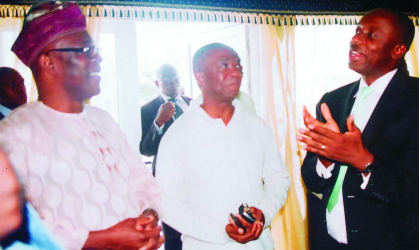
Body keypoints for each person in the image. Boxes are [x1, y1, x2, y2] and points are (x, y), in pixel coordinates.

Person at [0, 1, 163, 250]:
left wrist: (147, 218)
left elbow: (142, 183)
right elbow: (17, 228)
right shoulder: (13, 134)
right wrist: (103, 240)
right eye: (86, 50)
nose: (98, 58)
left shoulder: (103, 120)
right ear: (49, 63)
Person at [298, 8, 418, 250]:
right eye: (358, 30)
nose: (356, 39)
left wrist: (364, 161)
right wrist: (326, 159)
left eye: (372, 35)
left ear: (398, 50)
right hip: (329, 241)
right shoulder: (332, 100)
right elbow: (312, 180)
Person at [155, 43, 290, 250]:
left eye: (238, 66)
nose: (235, 72)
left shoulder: (257, 126)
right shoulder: (178, 135)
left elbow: (278, 178)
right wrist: (221, 230)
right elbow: (168, 203)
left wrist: (264, 213)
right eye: (224, 65)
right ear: (199, 77)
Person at [140, 64, 191, 250]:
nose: (172, 83)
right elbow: (145, 149)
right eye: (166, 79)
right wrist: (158, 122)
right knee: (173, 237)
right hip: (168, 183)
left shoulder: (194, 104)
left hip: (198, 178)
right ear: (157, 83)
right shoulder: (147, 110)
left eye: (175, 77)